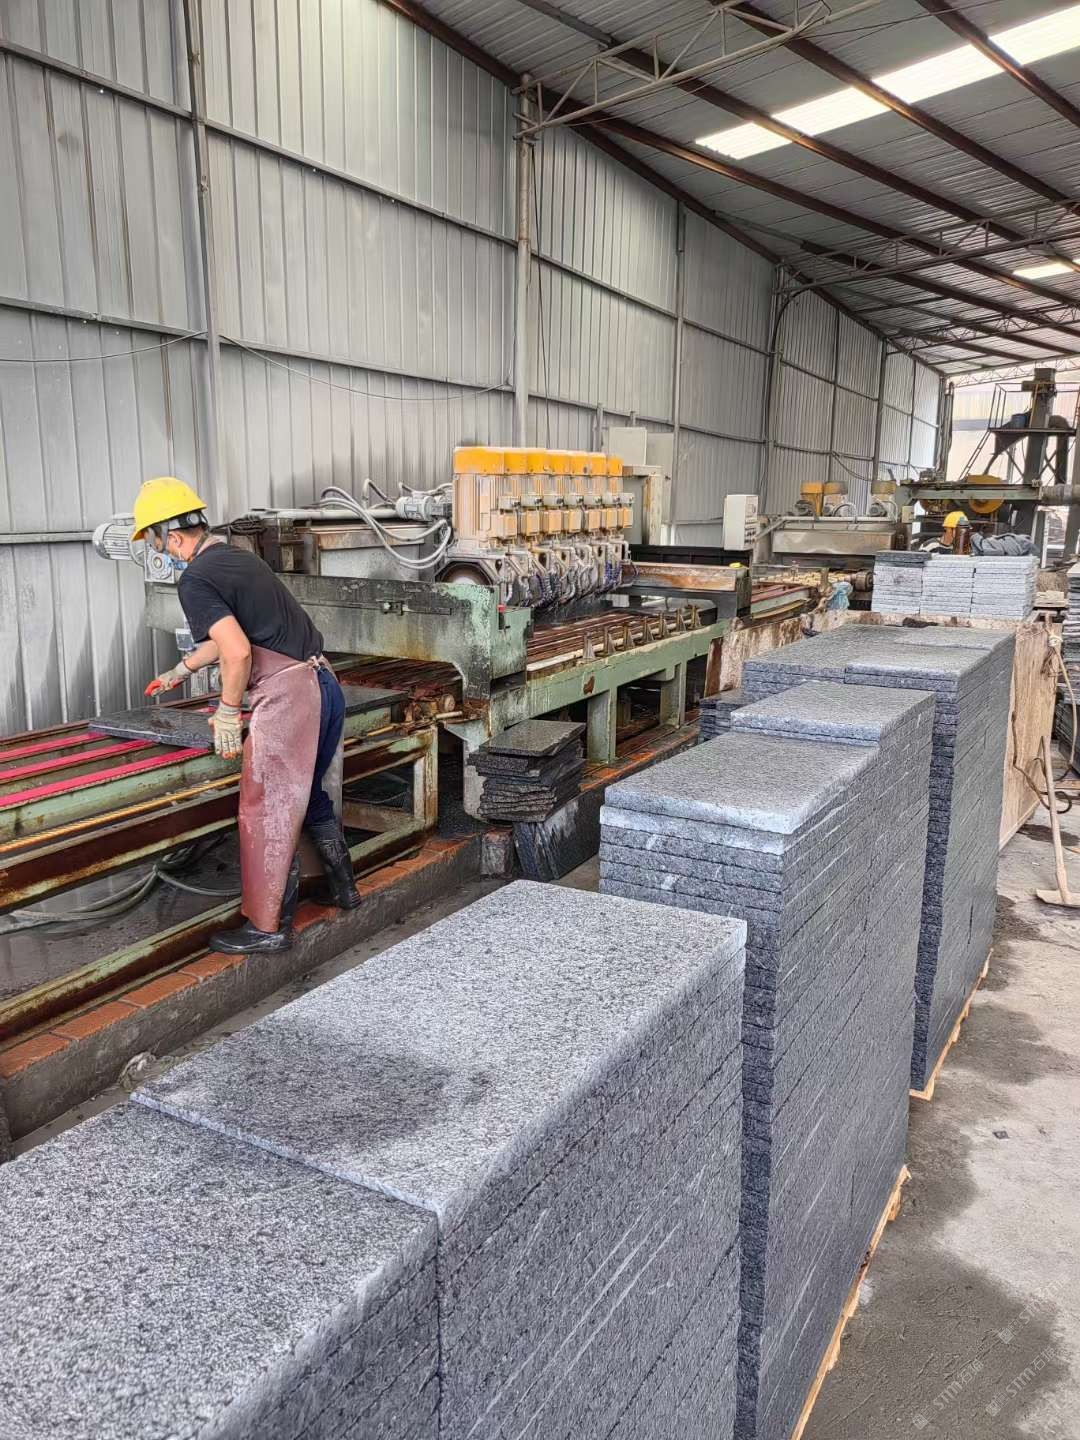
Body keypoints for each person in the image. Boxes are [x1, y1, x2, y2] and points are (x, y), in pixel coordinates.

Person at [131, 476, 361, 953]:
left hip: (290, 697)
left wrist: (227, 711)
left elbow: (236, 652)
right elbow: (232, 636)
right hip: (323, 683)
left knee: (267, 808)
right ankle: (345, 890)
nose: (161, 552)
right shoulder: (238, 558)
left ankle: (267, 928)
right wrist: (180, 670)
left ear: (170, 534)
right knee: (307, 795)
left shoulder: (195, 579)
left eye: (156, 542)